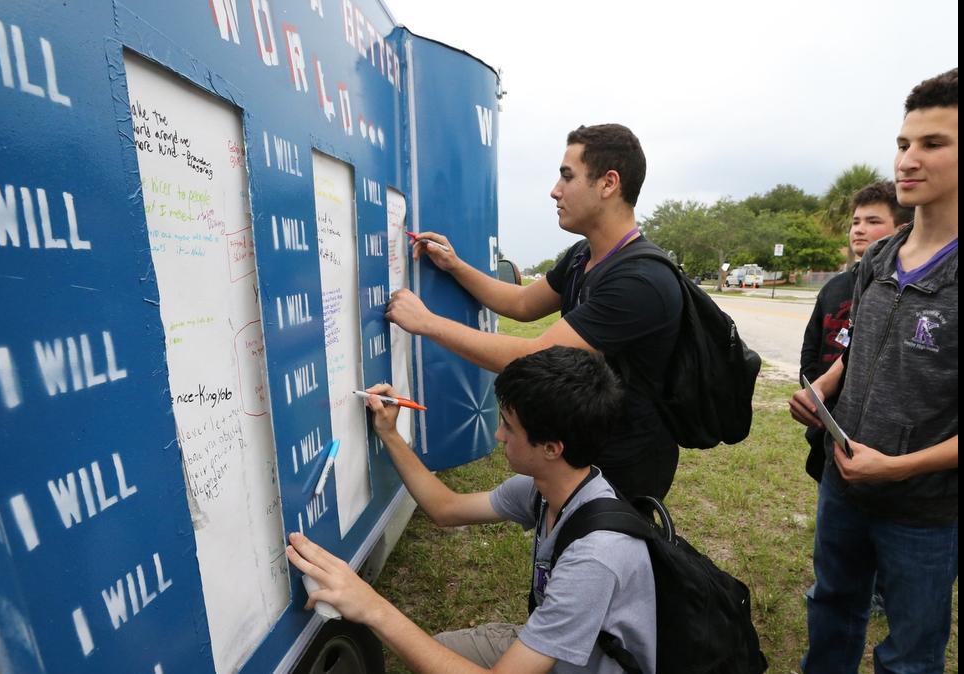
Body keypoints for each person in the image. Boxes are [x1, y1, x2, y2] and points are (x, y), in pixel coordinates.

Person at [286, 346, 656, 673]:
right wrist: (389, 434)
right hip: (564, 653)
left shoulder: (595, 559)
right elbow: (445, 508)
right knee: (436, 653)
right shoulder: (547, 489)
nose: (498, 435)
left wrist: (372, 607)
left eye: (509, 427)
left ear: (551, 448)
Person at [385, 124, 682, 501]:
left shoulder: (641, 281)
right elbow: (522, 304)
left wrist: (427, 323)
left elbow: (537, 358)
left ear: (608, 184)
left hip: (622, 468)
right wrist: (455, 265)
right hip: (579, 451)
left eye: (567, 176)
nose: (555, 190)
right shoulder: (583, 256)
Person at [789, 68, 958, 674]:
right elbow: (858, 348)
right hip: (843, 482)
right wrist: (823, 388)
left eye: (933, 144)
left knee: (909, 656)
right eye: (904, 144)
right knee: (832, 606)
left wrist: (895, 467)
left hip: (924, 509)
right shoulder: (882, 254)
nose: (908, 161)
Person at [798, 181, 911, 482]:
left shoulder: (900, 290)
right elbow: (812, 349)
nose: (859, 229)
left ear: (903, 229)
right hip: (830, 421)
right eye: (855, 222)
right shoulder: (835, 287)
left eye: (873, 222)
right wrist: (815, 397)